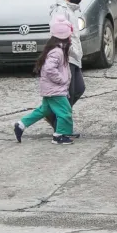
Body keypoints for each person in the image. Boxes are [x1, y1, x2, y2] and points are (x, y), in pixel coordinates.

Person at [14, 16, 78, 145]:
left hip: (50, 89)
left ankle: (21, 124)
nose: (71, 38)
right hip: (55, 89)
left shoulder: (56, 49)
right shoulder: (58, 52)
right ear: (65, 37)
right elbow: (49, 68)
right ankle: (59, 135)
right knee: (65, 111)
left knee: (44, 110)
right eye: (70, 36)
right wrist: (61, 80)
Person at [50, 0, 86, 107]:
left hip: (74, 57)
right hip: (66, 57)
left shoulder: (71, 9)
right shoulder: (61, 10)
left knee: (79, 89)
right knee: (69, 94)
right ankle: (61, 124)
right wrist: (72, 50)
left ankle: (58, 117)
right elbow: (59, 36)